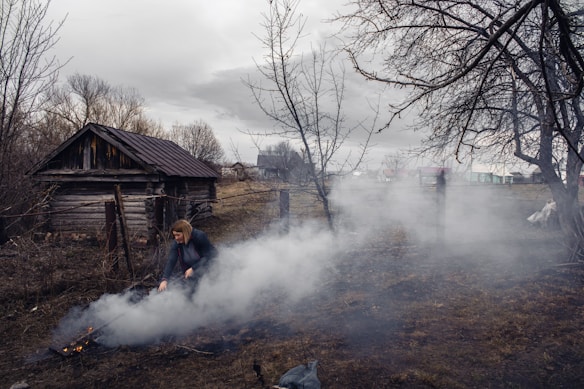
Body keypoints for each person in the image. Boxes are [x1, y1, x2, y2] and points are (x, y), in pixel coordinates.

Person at [158, 219, 218, 292]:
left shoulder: (199, 237)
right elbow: (171, 261)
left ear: (185, 233)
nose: (176, 238)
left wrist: (193, 268)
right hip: (192, 271)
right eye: (174, 235)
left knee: (207, 290)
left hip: (210, 268)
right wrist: (164, 279)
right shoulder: (177, 243)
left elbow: (209, 256)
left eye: (178, 235)